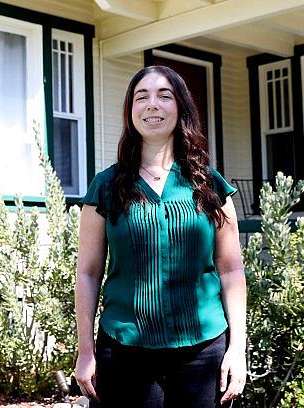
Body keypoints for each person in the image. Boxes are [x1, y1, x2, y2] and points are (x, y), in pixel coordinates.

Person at [75, 65, 247, 407]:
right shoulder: (106, 186)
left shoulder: (210, 186)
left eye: (164, 95)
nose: (152, 104)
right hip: (124, 353)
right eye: (142, 97)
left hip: (203, 352)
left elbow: (231, 270)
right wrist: (85, 351)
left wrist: (237, 349)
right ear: (131, 112)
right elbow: (88, 272)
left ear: (180, 108)